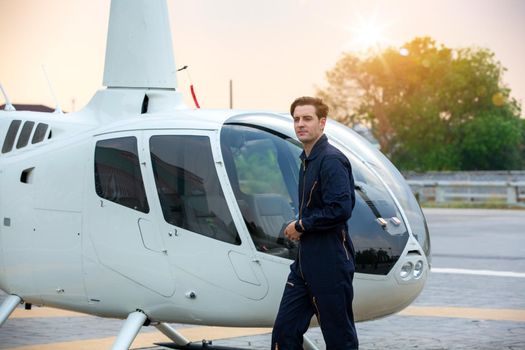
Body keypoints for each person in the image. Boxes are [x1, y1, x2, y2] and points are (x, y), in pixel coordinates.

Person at [271, 96, 358, 350]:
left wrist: (301, 225)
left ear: (322, 123)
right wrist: (302, 223)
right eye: (296, 119)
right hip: (305, 263)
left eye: (307, 119)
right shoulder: (306, 160)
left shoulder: (331, 160)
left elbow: (341, 209)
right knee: (284, 331)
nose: (300, 124)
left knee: (338, 336)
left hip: (330, 261)